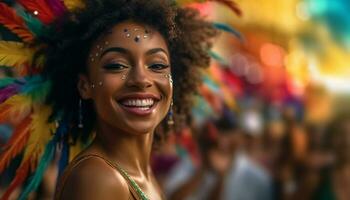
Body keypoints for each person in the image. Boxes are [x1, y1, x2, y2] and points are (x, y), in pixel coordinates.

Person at [0, 0, 221, 199]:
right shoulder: (99, 178)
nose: (141, 79)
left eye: (157, 65)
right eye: (116, 65)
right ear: (84, 85)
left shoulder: (135, 174)